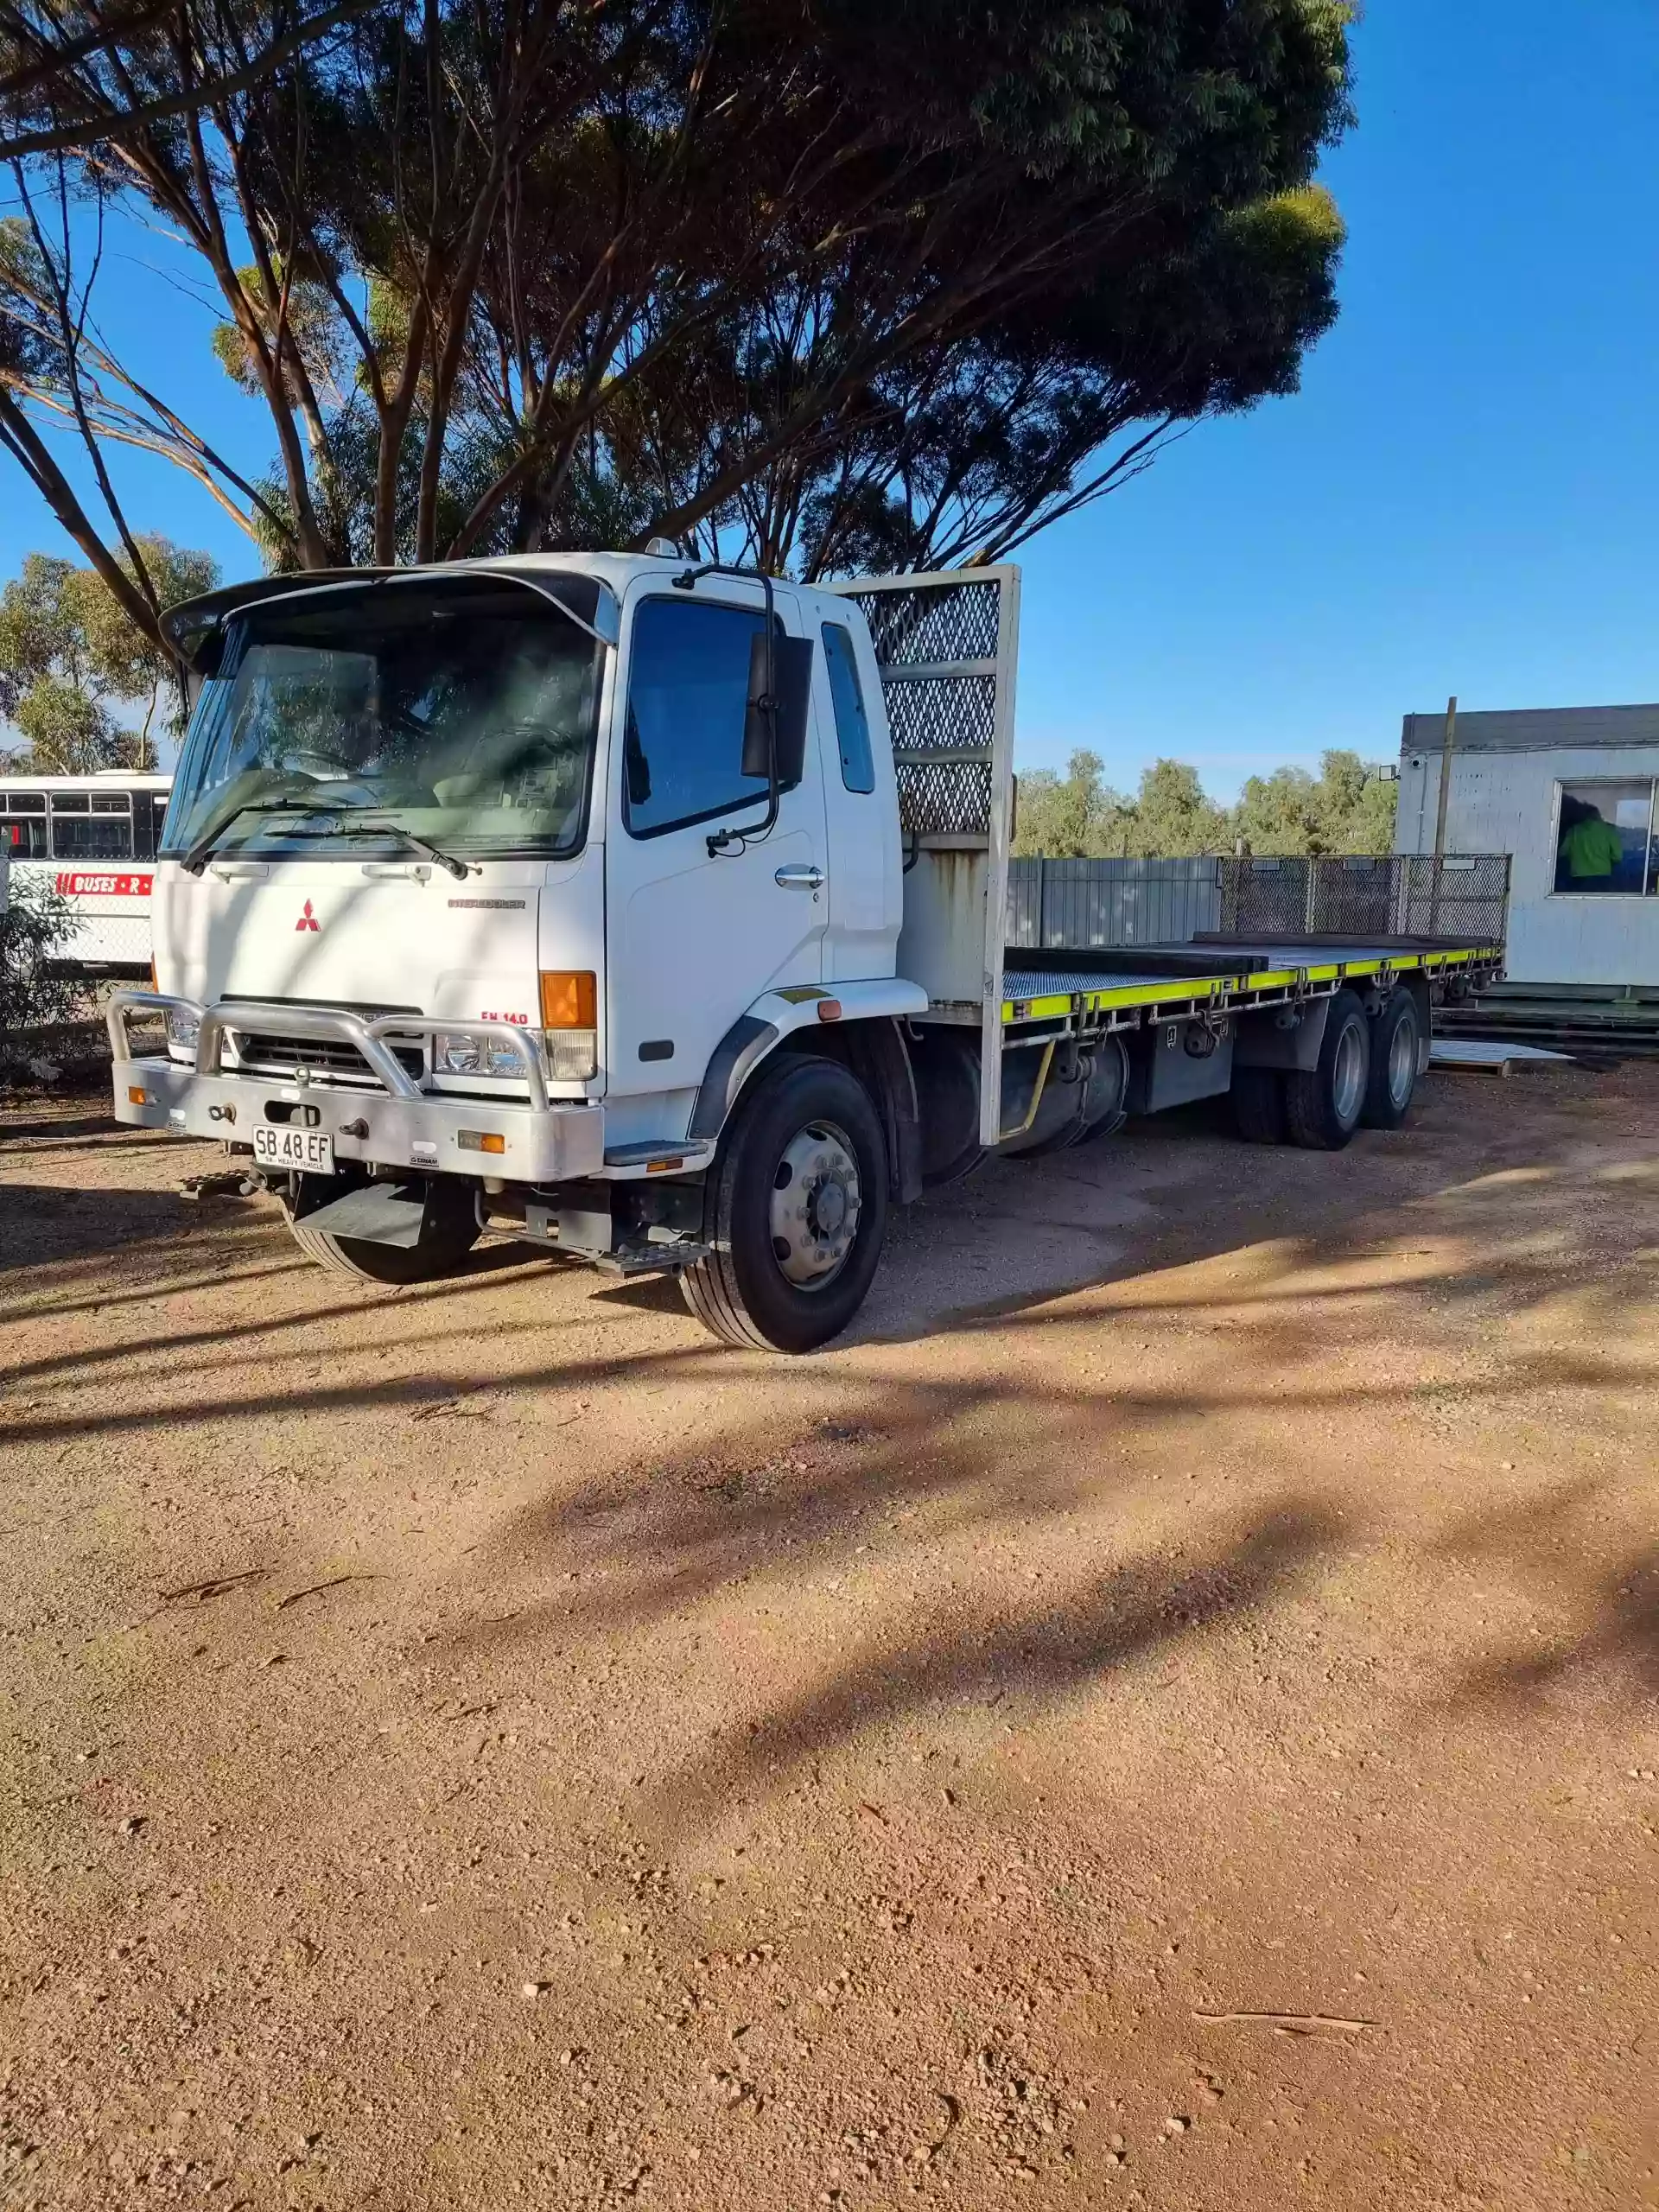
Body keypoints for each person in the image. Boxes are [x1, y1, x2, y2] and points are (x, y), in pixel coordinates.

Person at [1556, 796, 1624, 890]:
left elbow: (1562, 852)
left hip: (1578, 877)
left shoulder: (1574, 831)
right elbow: (1618, 857)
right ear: (1598, 816)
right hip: (1602, 876)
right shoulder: (1608, 830)